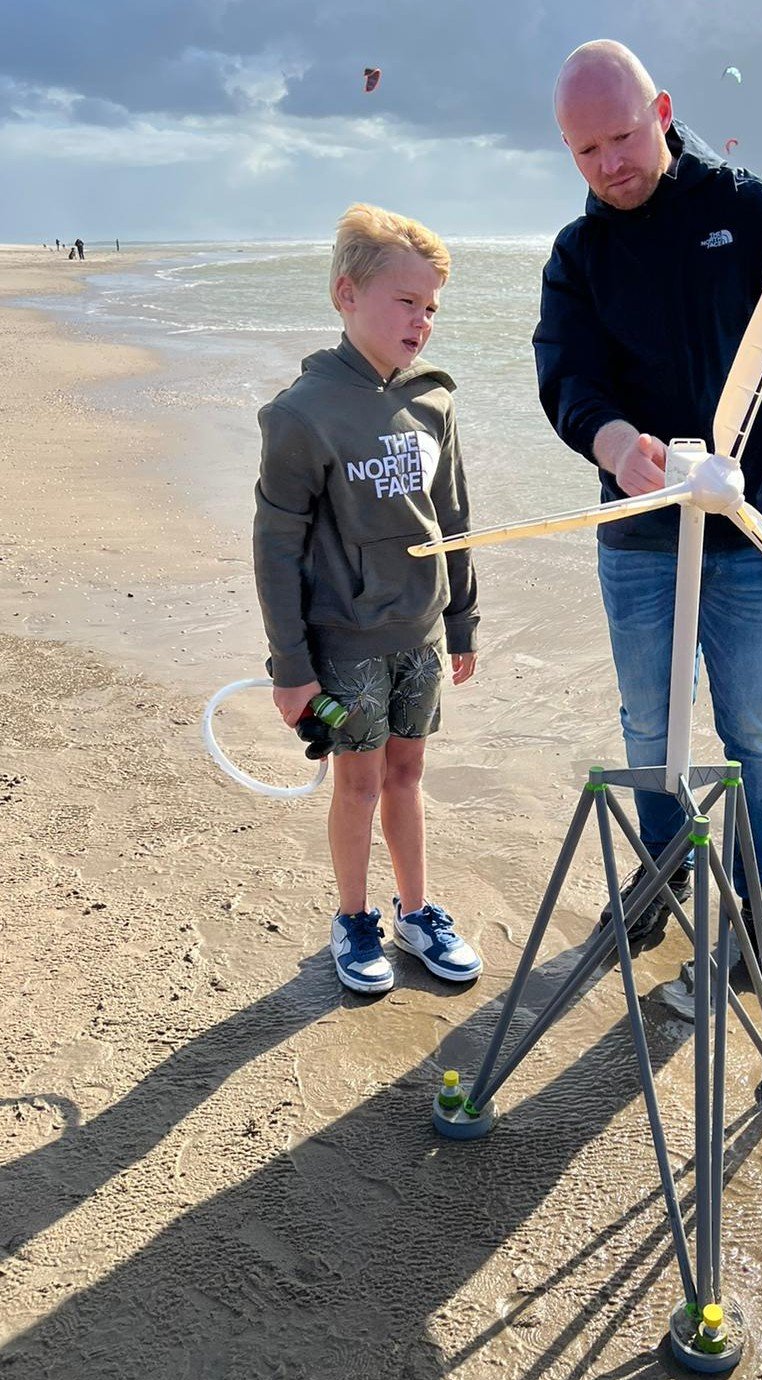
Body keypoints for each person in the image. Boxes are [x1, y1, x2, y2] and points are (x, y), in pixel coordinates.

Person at [533, 41, 762, 997]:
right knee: (647, 720)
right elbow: (565, 374)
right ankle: (662, 868)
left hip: (758, 535)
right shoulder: (578, 253)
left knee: (758, 726)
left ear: (664, 109)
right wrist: (612, 441)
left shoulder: (754, 215)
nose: (609, 166)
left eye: (624, 138)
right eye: (584, 151)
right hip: (639, 538)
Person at [253, 203, 482, 995]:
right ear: (347, 294)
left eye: (431, 307)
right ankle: (354, 920)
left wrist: (461, 620)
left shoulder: (435, 400)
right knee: (357, 781)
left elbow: (451, 518)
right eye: (404, 301)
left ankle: (416, 913)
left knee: (408, 774)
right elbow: (276, 546)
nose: (420, 321)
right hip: (345, 641)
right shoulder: (300, 413)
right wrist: (291, 668)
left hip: (418, 632)